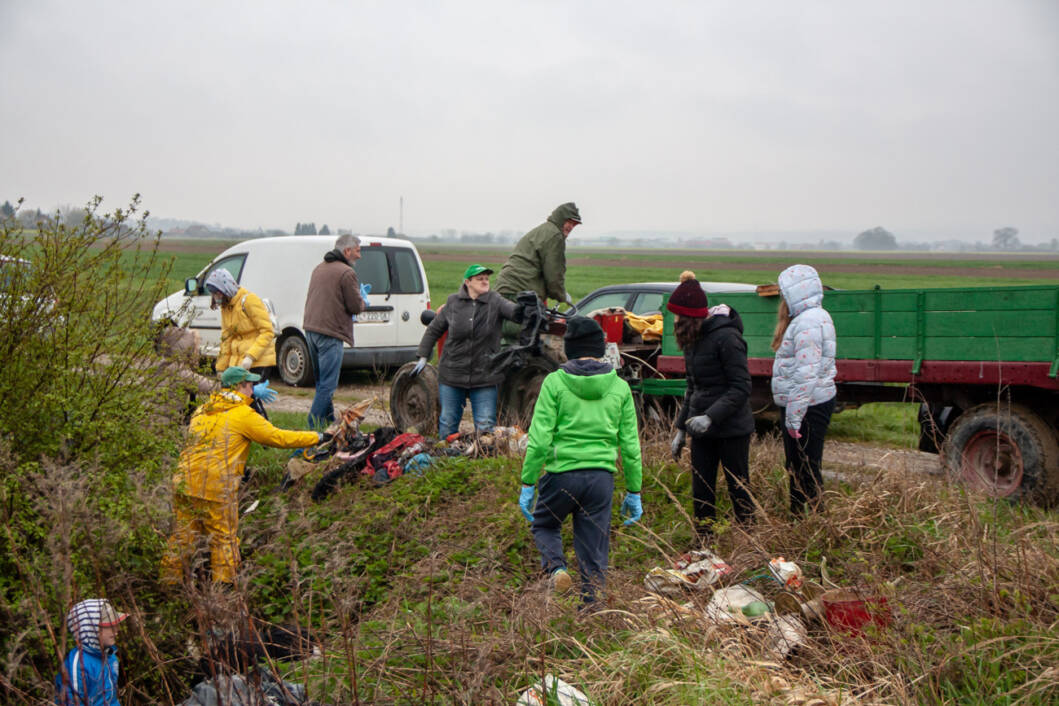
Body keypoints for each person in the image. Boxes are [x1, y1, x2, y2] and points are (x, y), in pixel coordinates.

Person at [518, 316, 643, 605]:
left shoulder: (554, 383)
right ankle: (592, 608)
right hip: (601, 478)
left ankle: (558, 568)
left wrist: (528, 482)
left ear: (569, 349)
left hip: (561, 475)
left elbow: (539, 439)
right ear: (600, 349)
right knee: (593, 549)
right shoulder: (620, 387)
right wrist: (634, 490)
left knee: (545, 525)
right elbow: (631, 446)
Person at [160, 366, 324, 585]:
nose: (252, 390)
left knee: (182, 539)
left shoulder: (201, 411)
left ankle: (168, 585)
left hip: (183, 484)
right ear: (239, 387)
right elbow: (278, 437)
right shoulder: (243, 414)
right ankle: (224, 592)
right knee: (223, 541)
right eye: (250, 385)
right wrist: (317, 437)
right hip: (216, 489)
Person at [668, 271, 755, 542]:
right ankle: (704, 541)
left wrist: (710, 417)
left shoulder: (727, 339)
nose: (675, 322)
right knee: (701, 488)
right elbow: (692, 388)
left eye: (678, 317)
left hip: (732, 429)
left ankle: (748, 540)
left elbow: (741, 387)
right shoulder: (693, 340)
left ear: (692, 317)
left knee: (738, 487)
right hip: (701, 429)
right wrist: (681, 429)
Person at [411, 264, 522, 438]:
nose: (485, 282)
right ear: (468, 282)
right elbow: (434, 329)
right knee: (447, 423)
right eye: (480, 279)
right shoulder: (453, 302)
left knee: (485, 428)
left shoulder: (495, 301)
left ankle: (482, 462)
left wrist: (526, 308)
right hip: (452, 374)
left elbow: (515, 313)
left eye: (486, 278)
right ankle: (446, 460)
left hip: (485, 375)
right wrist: (423, 356)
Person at [770, 264, 837, 515]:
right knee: (799, 467)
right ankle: (798, 519)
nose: (781, 300)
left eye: (783, 294)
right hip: (808, 403)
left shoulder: (807, 323)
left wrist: (794, 417)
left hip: (808, 406)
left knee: (806, 468)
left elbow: (806, 374)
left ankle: (816, 522)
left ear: (794, 294)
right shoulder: (812, 318)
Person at [302, 234, 365, 428]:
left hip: (311, 330)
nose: (359, 256)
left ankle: (330, 423)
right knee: (328, 387)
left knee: (322, 384)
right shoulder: (346, 273)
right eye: (357, 250)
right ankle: (310, 431)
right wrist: (363, 302)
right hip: (330, 333)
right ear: (347, 251)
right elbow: (355, 306)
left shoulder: (318, 268)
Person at [204, 269, 278, 417]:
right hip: (239, 362)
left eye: (217, 293)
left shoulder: (249, 300)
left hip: (258, 360)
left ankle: (265, 432)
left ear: (225, 289)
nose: (215, 297)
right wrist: (221, 368)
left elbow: (267, 331)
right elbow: (227, 338)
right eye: (213, 293)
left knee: (250, 399)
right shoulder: (226, 307)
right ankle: (248, 431)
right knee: (240, 400)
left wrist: (251, 356)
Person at [495, 202, 581, 308]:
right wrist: (561, 295)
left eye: (574, 224)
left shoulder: (544, 230)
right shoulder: (555, 235)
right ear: (561, 219)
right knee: (523, 323)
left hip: (507, 288)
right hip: (520, 292)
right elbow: (554, 273)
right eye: (569, 222)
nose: (571, 227)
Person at [55, 598, 128, 706]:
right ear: (89, 628)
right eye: (109, 626)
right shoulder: (78, 664)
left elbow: (112, 699)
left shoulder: (110, 656)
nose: (116, 630)